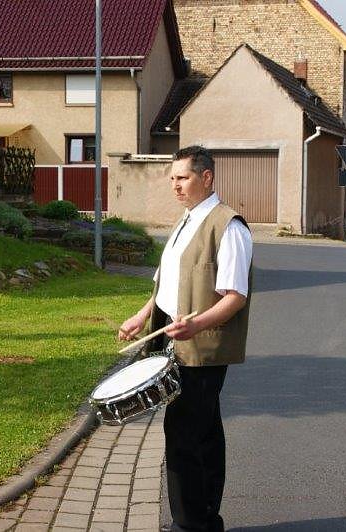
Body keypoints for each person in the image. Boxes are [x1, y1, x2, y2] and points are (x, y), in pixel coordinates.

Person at [118, 146, 253, 531]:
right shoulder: (186, 221)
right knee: (205, 431)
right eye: (172, 178)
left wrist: (195, 327)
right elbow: (169, 285)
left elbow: (234, 298)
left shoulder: (229, 227)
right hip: (172, 341)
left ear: (206, 177)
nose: (175, 186)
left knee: (181, 434)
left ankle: (188, 524)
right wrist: (142, 315)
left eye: (183, 178)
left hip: (202, 350)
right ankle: (206, 519)